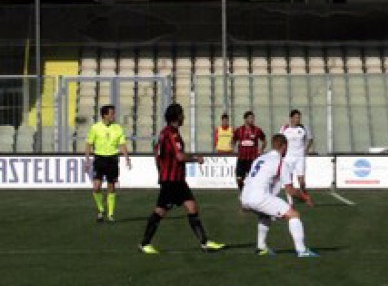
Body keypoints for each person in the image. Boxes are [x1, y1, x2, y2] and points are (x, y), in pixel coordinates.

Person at [140, 103, 226, 254]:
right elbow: (179, 156)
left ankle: (204, 242)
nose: (184, 117)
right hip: (172, 181)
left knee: (192, 207)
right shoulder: (171, 134)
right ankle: (145, 243)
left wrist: (161, 171)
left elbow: (157, 155)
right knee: (160, 211)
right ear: (177, 116)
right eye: (182, 114)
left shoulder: (165, 133)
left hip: (177, 180)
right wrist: (195, 158)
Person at [240, 134, 318, 257]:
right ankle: (302, 250)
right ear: (284, 146)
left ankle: (261, 247)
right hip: (259, 197)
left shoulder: (259, 159)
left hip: (245, 196)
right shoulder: (281, 163)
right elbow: (290, 190)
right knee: (294, 215)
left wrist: (244, 204)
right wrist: (305, 197)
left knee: (265, 215)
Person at [85, 104, 131, 222]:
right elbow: (89, 144)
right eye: (111, 113)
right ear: (104, 115)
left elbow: (122, 144)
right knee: (96, 187)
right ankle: (101, 209)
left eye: (113, 113)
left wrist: (127, 158)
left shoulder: (118, 128)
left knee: (111, 186)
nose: (113, 116)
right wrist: (87, 159)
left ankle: (110, 214)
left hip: (112, 159)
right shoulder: (95, 128)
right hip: (99, 159)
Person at [281, 109, 314, 200]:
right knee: (289, 179)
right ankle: (290, 200)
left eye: (299, 118)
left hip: (300, 157)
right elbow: (280, 140)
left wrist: (306, 150)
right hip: (288, 157)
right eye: (296, 117)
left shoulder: (303, 128)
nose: (298, 119)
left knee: (301, 181)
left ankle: (304, 193)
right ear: (291, 118)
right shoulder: (284, 128)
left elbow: (310, 139)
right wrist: (281, 153)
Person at [232, 110, 267, 191]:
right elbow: (233, 140)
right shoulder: (239, 130)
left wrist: (261, 149)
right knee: (239, 179)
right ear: (245, 119)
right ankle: (243, 192)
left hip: (252, 159)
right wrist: (233, 147)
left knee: (253, 180)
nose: (252, 120)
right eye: (250, 118)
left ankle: (252, 195)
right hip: (241, 158)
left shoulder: (257, 130)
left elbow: (264, 140)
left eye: (253, 118)